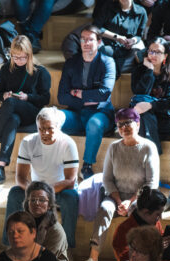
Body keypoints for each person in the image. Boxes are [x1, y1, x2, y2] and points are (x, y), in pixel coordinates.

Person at [77, 108, 160, 261]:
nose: (123, 128)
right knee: (104, 209)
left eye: (128, 123)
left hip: (140, 198)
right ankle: (93, 259)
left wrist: (131, 201)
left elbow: (152, 183)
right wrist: (118, 201)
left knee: (140, 214)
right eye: (120, 125)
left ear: (138, 124)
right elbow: (107, 179)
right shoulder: (114, 147)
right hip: (116, 196)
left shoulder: (148, 147)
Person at [1, 106, 79, 247]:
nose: (45, 133)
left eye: (49, 129)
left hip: (60, 189)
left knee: (71, 198)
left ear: (58, 127)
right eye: (41, 129)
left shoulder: (68, 144)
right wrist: (34, 192)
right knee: (14, 193)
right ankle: (10, 244)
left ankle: (67, 248)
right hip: (35, 190)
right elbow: (20, 177)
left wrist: (45, 192)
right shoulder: (28, 142)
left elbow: (70, 181)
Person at [0, 36, 52, 183]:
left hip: (31, 111)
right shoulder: (6, 69)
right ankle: (0, 166)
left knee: (11, 102)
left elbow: (45, 99)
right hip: (11, 112)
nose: (18, 60)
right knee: (12, 120)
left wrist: (27, 97)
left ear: (29, 55)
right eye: (15, 57)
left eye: (22, 57)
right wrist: (3, 95)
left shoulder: (40, 71)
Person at [58, 25, 116, 180]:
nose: (86, 43)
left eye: (90, 39)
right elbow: (62, 97)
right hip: (76, 114)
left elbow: (104, 94)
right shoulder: (71, 63)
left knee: (94, 124)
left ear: (99, 42)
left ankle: (87, 167)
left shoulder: (107, 62)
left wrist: (79, 94)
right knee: (52, 117)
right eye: (83, 39)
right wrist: (88, 99)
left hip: (100, 113)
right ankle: (56, 164)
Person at [23, 182, 78, 261]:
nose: (37, 203)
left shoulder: (55, 230)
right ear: (27, 204)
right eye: (33, 200)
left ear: (49, 205)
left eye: (42, 200)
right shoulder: (23, 225)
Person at [131, 38, 170, 153]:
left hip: (166, 116)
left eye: (158, 52)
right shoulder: (139, 71)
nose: (153, 55)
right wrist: (149, 71)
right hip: (146, 115)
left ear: (165, 56)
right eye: (151, 51)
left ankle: (151, 154)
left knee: (142, 112)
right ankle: (154, 153)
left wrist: (150, 105)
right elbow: (139, 93)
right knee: (140, 103)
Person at [110, 186, 170, 261]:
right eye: (158, 214)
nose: (160, 218)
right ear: (146, 212)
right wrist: (155, 249)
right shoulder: (123, 230)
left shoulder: (154, 222)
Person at [93, 0, 149, 73]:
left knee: (141, 55)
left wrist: (133, 40)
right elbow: (96, 28)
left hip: (127, 49)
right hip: (108, 44)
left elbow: (139, 35)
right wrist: (117, 37)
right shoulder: (108, 7)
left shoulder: (141, 12)